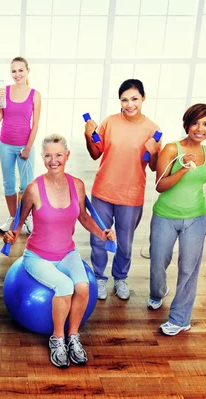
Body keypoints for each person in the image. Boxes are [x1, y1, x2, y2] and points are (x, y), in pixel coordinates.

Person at [4, 134, 115, 368]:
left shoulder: (77, 185)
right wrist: (10, 236)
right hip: (37, 256)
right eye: (47, 156)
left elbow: (84, 217)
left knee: (83, 286)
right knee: (64, 286)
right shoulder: (34, 189)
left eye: (58, 155)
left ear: (67, 156)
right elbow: (19, 220)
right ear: (42, 158)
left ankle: (73, 337)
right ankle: (57, 339)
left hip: (67, 252)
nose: (53, 160)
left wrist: (102, 234)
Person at [83, 79, 161, 301]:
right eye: (124, 100)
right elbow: (95, 153)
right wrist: (88, 134)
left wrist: (154, 152)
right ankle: (99, 277)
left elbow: (154, 167)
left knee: (125, 243)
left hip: (131, 195)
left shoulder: (152, 129)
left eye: (134, 99)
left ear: (143, 99)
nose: (129, 104)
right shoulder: (110, 122)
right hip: (103, 191)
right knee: (98, 238)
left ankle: (120, 278)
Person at [148, 104, 206, 336]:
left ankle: (180, 318)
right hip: (165, 215)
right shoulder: (171, 149)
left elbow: (196, 188)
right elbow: (160, 186)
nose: (200, 128)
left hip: (196, 216)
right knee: (158, 262)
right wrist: (183, 168)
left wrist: (202, 221)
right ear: (186, 124)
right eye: (195, 122)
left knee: (189, 268)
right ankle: (157, 292)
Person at [0, 56, 41, 234]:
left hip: (24, 145)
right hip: (5, 145)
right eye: (14, 71)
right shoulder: (3, 92)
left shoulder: (35, 95)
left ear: (28, 71)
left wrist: (28, 148)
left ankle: (25, 218)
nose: (17, 74)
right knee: (8, 183)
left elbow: (35, 124)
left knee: (27, 185)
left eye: (21, 70)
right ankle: (13, 219)